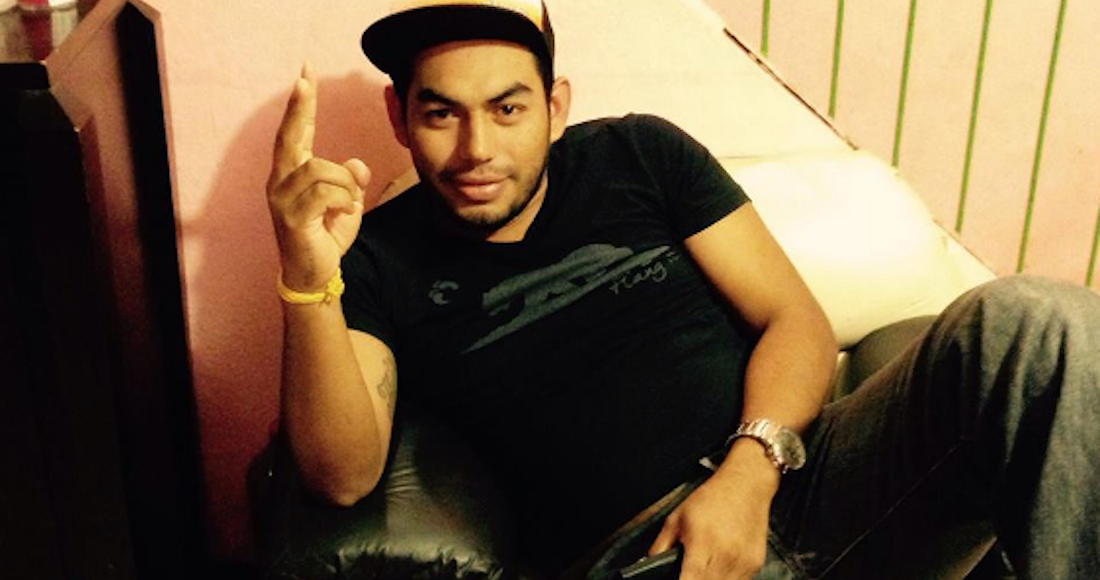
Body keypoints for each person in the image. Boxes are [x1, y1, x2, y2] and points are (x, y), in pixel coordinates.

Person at [264, 2, 1100, 579]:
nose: (477, 147)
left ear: (555, 106)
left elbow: (795, 321)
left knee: (1036, 323)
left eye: (508, 109)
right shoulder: (371, 256)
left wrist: (748, 477)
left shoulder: (640, 156)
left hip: (807, 476)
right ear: (399, 116)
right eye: (442, 113)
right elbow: (343, 477)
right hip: (647, 554)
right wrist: (307, 277)